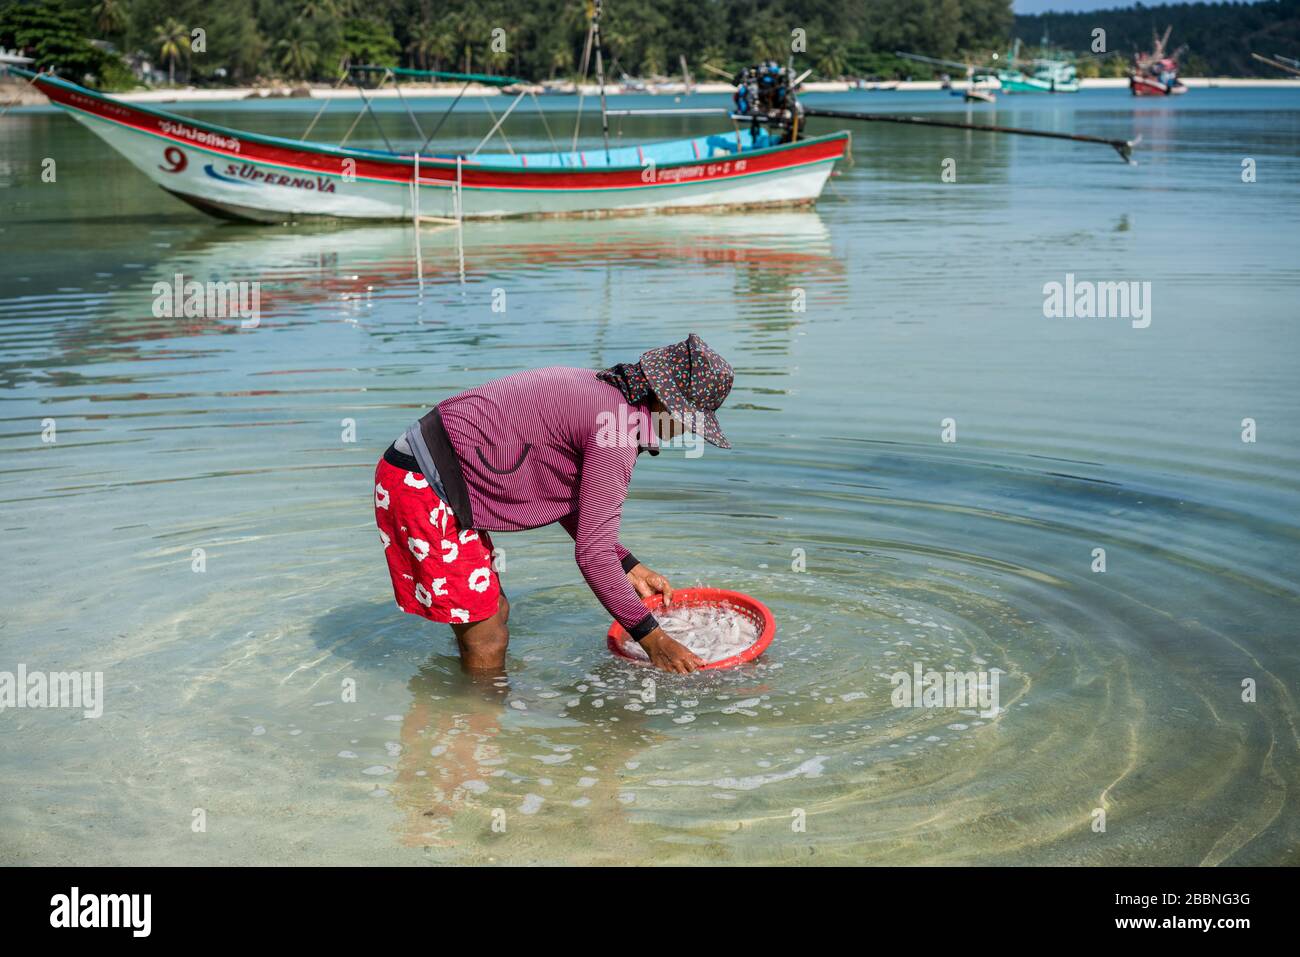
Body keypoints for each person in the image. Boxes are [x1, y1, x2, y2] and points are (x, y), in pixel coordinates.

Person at [373, 334, 734, 674]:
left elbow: (569, 497)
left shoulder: (607, 393)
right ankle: (478, 721)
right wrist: (653, 639)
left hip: (427, 472)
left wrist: (628, 564)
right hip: (422, 486)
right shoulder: (617, 432)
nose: (685, 432)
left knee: (490, 612)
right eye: (689, 423)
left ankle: (472, 707)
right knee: (488, 636)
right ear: (667, 405)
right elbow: (592, 555)